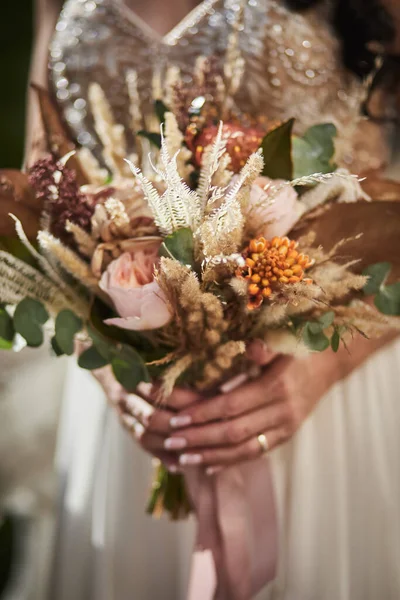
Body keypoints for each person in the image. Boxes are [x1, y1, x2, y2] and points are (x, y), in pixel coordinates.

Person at [26, 0, 400, 598]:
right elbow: (44, 179)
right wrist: (109, 365)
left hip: (317, 382)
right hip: (138, 392)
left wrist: (327, 369)